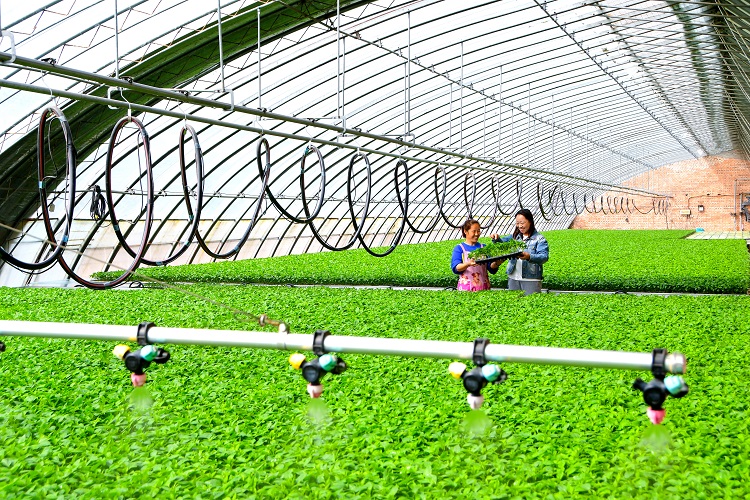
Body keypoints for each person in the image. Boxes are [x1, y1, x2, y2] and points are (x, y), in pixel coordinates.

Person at [490, 209, 549, 295]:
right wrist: (496, 238)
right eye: (517, 223)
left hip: (531, 279)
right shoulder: (514, 237)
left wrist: (529, 256)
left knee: (530, 302)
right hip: (513, 277)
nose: (520, 226)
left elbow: (544, 257)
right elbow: (502, 244)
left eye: (522, 223)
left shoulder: (539, 239)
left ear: (530, 221)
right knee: (513, 302)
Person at [451, 218, 500, 291]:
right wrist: (468, 264)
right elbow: (456, 268)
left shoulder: (484, 247)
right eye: (474, 231)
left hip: (484, 287)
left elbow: (491, 268)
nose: (477, 234)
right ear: (465, 231)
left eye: (478, 231)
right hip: (466, 288)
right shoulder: (459, 248)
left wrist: (498, 262)